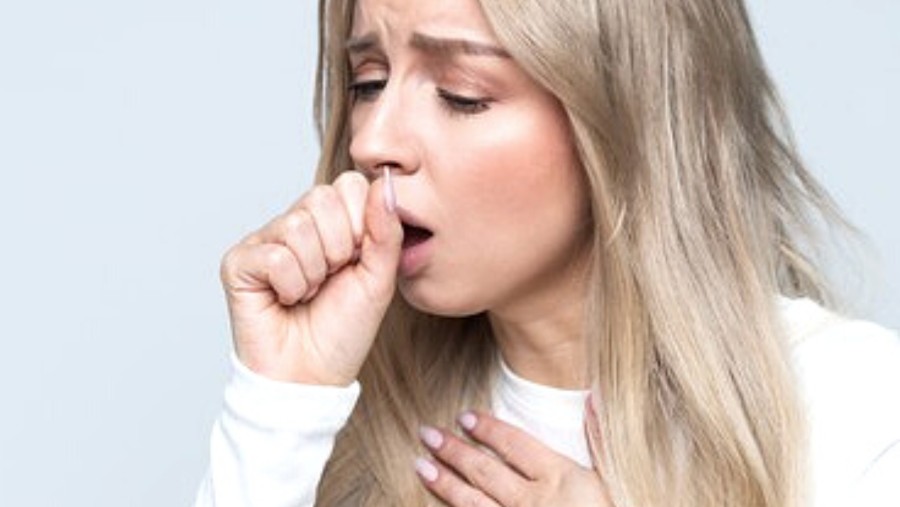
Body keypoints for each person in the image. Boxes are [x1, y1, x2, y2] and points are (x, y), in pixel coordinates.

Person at [194, 0, 900, 505]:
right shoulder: (340, 421)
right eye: (368, 82)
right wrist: (280, 404)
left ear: (626, 119)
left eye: (462, 95)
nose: (373, 139)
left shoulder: (857, 405)